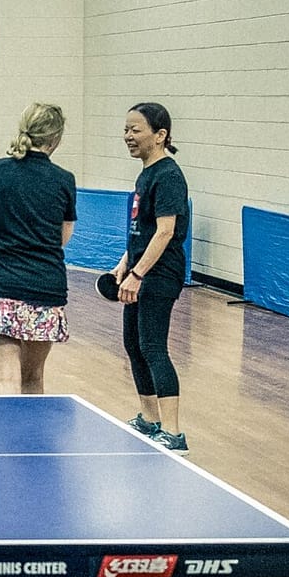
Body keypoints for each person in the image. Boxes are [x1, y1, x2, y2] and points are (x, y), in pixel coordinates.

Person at [0, 103, 77, 394]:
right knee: (33, 379)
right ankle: (31, 441)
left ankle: (6, 441)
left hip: (1, 288)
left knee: (6, 382)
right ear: (56, 138)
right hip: (46, 289)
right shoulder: (64, 180)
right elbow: (62, 238)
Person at [107, 101, 190, 452]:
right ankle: (149, 418)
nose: (128, 136)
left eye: (135, 129)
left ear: (160, 135)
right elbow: (143, 229)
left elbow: (166, 231)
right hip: (140, 270)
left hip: (160, 273)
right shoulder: (146, 172)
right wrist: (123, 264)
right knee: (134, 344)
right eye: (126, 129)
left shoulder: (168, 175)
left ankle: (173, 432)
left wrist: (139, 273)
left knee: (153, 346)